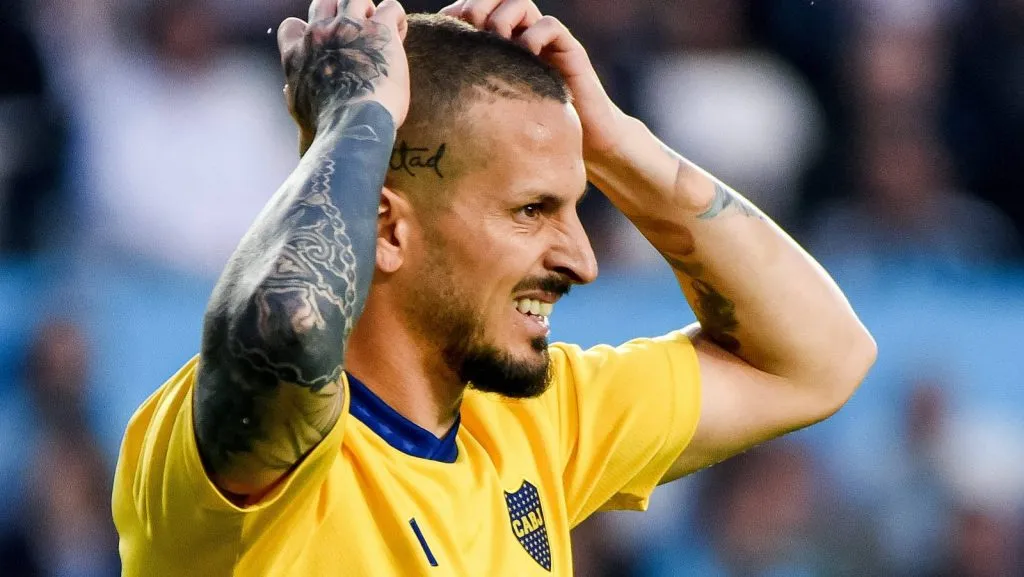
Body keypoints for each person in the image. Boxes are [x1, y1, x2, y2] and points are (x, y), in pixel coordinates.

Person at [111, 0, 876, 574]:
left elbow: (821, 357)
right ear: (385, 228)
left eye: (576, 208)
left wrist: (616, 143)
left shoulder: (538, 418)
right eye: (532, 210)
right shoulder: (237, 458)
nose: (582, 259)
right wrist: (355, 116)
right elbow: (291, 327)